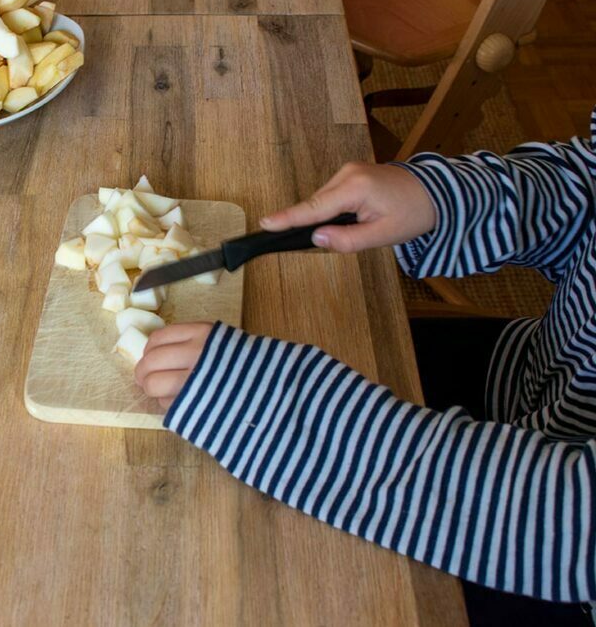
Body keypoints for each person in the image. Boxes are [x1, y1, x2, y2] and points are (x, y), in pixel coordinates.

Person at [136, 107, 596, 625]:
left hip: (551, 567)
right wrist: (447, 198)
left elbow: (570, 527)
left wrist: (279, 410)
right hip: (535, 379)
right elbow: (588, 180)